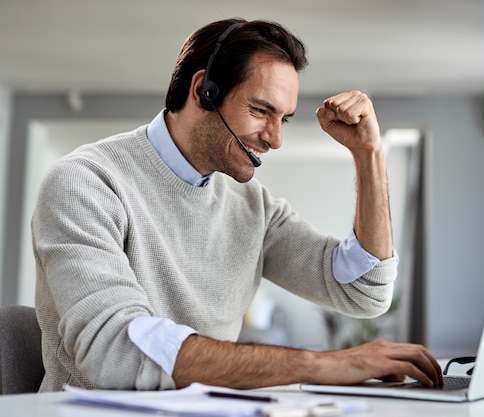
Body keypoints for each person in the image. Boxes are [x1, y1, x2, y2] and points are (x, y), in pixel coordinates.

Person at [32, 17, 442, 392]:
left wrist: (369, 155)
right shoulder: (87, 182)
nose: (275, 138)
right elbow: (117, 353)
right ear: (202, 92)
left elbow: (364, 291)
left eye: (284, 119)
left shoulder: (253, 208)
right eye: (261, 111)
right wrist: (319, 365)